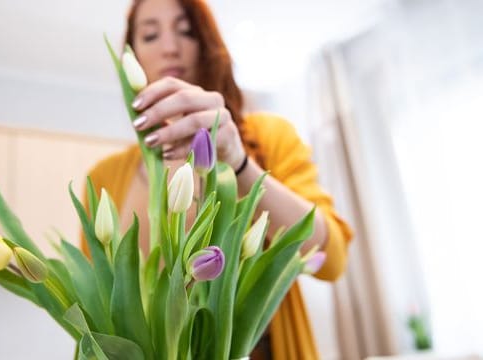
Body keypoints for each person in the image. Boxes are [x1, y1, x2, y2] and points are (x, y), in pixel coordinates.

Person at [83, 0, 353, 358]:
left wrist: (239, 164)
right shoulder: (105, 176)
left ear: (208, 43)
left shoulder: (268, 138)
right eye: (150, 35)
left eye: (186, 30)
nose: (169, 47)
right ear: (131, 59)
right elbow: (98, 307)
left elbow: (331, 258)